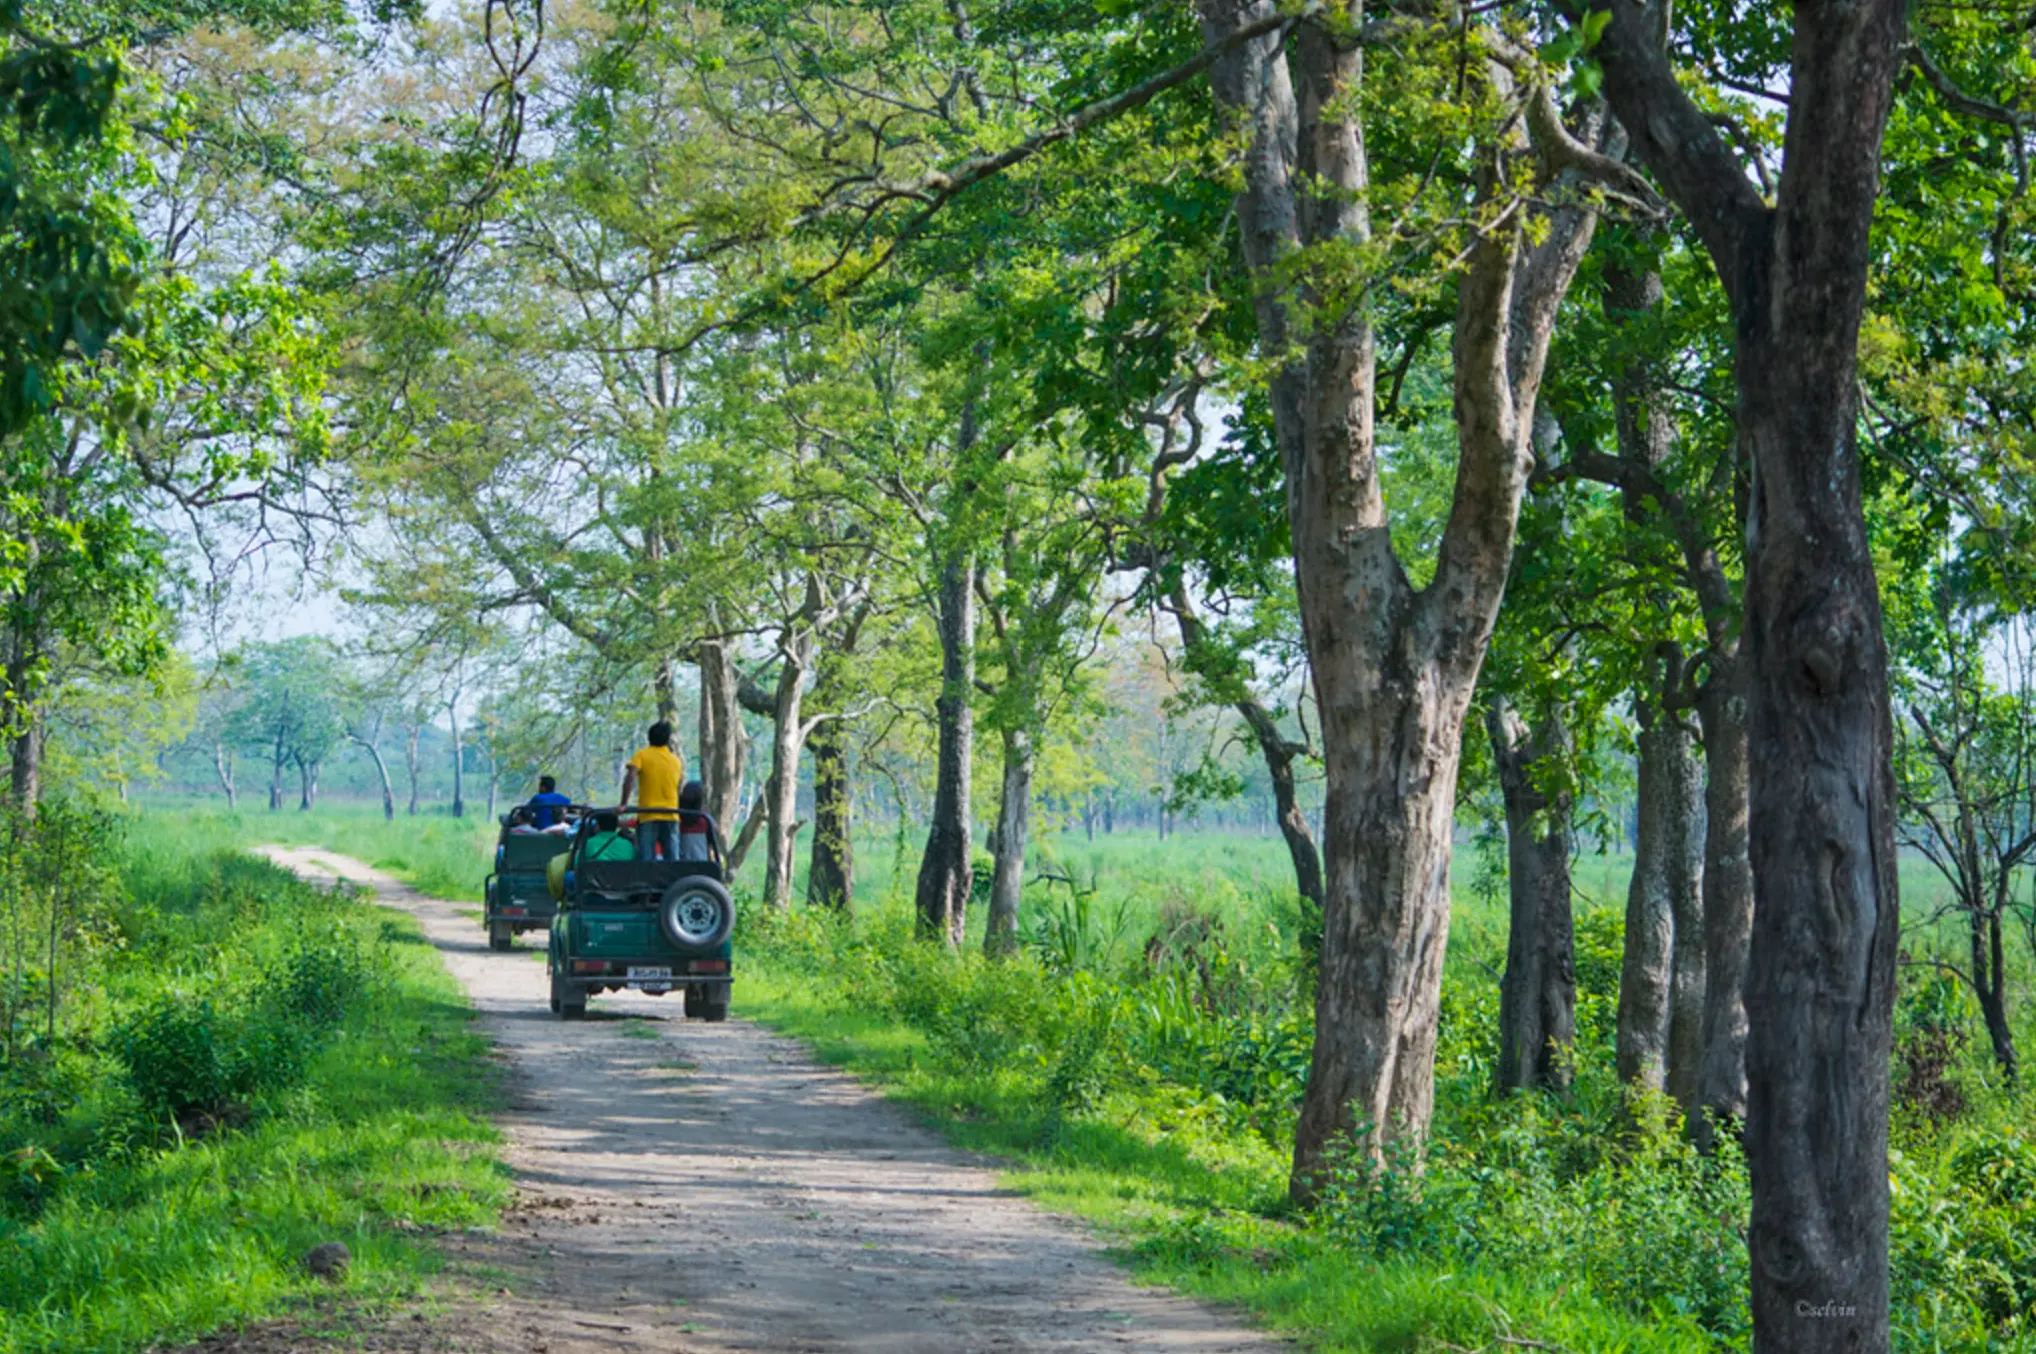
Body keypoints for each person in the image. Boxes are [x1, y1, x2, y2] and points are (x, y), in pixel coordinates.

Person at [620, 721, 684, 861]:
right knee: (673, 860)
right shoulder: (675, 760)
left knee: (646, 859)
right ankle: (675, 883)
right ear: (667, 740)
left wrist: (623, 803)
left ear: (649, 738)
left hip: (648, 815)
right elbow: (678, 787)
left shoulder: (642, 755)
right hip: (671, 815)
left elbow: (630, 778)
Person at [676, 780, 718, 862]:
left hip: (680, 865)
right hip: (701, 864)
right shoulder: (705, 819)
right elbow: (715, 831)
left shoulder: (677, 819)